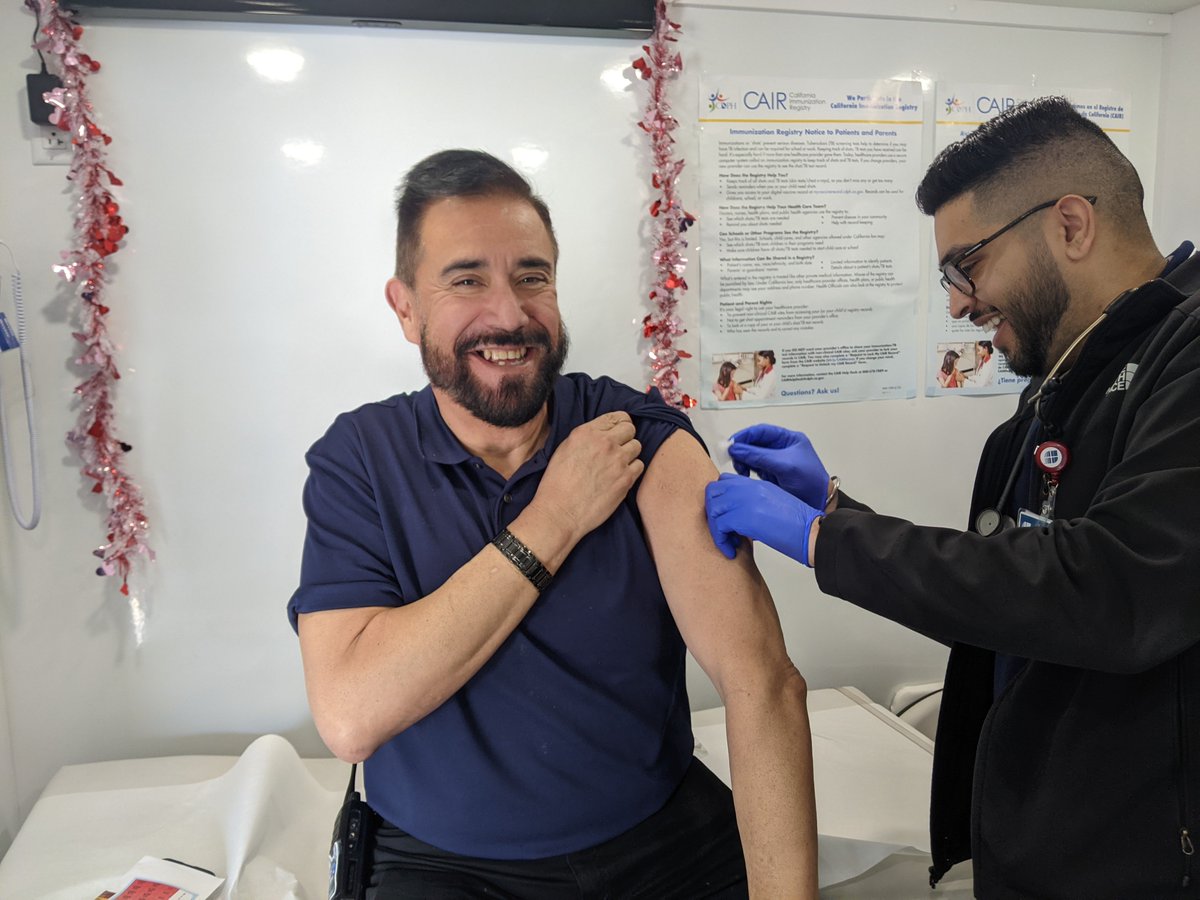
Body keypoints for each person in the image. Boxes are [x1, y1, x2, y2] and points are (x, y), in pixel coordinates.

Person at [704, 96, 1200, 897]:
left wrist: (829, 544)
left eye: (965, 266)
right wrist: (835, 510)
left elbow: (1111, 587)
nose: (959, 302)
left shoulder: (1186, 360)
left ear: (1070, 225)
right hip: (1036, 847)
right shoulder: (1067, 374)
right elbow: (1010, 575)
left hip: (1140, 863)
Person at [289, 149, 817, 898]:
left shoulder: (641, 436)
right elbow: (349, 715)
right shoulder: (360, 459)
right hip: (442, 862)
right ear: (405, 307)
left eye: (532, 276)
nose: (509, 314)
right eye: (466, 279)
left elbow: (762, 685)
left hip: (661, 841)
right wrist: (555, 518)